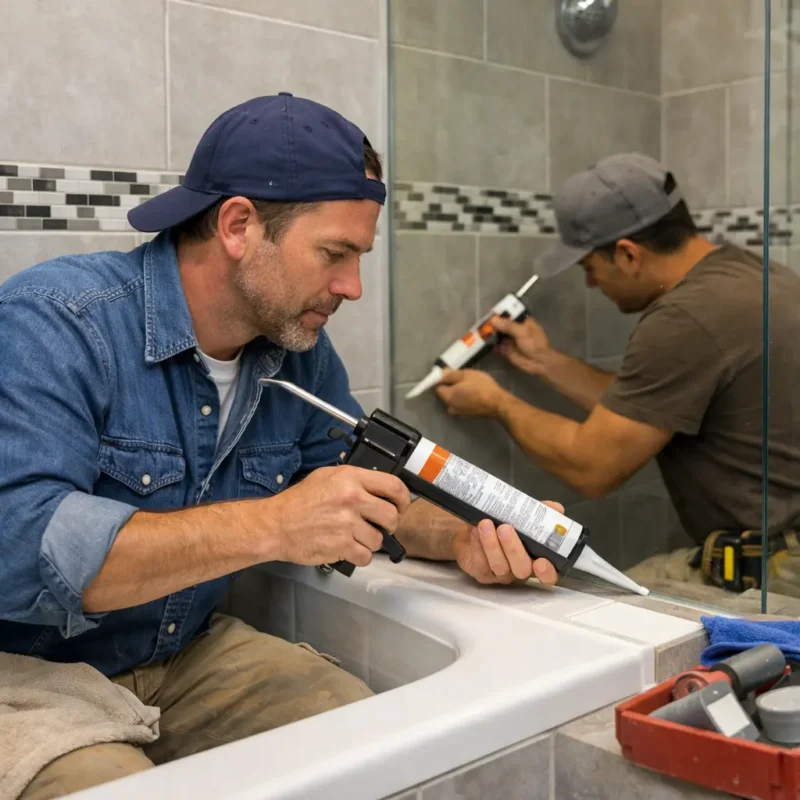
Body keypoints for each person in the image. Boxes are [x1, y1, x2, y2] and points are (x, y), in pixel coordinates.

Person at [0, 93, 561, 799]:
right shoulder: (56, 325)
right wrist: (273, 524)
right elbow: (17, 554)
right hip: (26, 672)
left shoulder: (297, 353)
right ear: (238, 225)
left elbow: (349, 482)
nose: (352, 287)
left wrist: (466, 537)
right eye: (335, 253)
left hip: (183, 654)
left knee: (366, 739)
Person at [434, 152, 800, 602]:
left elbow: (593, 467)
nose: (591, 285)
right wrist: (547, 362)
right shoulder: (745, 276)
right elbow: (650, 405)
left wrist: (496, 403)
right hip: (779, 548)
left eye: (590, 268)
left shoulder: (685, 316)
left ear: (627, 254)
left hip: (780, 572)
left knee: (585, 607)